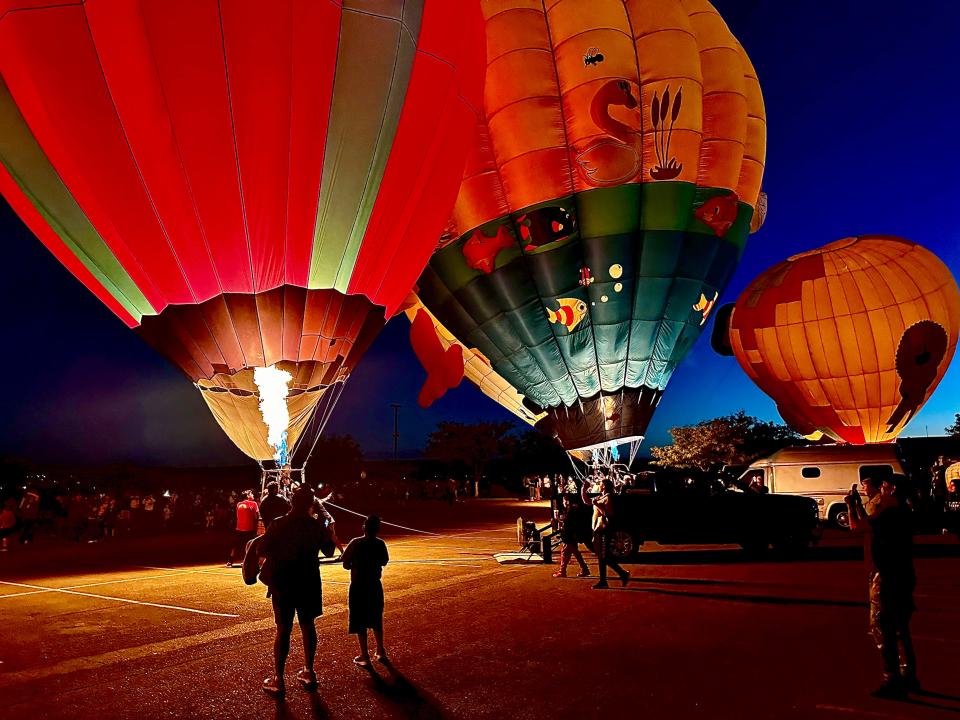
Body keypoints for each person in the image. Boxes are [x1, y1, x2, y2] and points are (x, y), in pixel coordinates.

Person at [845, 476, 918, 698]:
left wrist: (850, 505)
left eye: (884, 486)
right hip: (903, 573)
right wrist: (858, 504)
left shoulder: (889, 511)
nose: (880, 489)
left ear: (893, 489)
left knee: (881, 626)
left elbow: (857, 527)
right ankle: (908, 676)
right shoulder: (903, 511)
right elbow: (869, 525)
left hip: (885, 575)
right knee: (899, 628)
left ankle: (891, 679)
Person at [257, 487, 327, 697]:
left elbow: (262, 549)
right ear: (310, 504)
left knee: (283, 629)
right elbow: (329, 550)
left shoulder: (278, 524)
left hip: (283, 581)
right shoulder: (315, 526)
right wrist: (323, 519)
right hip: (309, 581)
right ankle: (309, 670)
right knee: (308, 626)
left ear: (291, 502)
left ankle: (279, 678)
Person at [342, 515, 390, 667]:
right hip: (374, 585)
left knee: (359, 619)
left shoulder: (355, 543)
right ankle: (380, 649)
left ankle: (365, 654)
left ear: (364, 527)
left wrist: (352, 564)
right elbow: (384, 561)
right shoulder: (380, 544)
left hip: (358, 585)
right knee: (376, 617)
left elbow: (345, 562)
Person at [582, 478, 629, 590]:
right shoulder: (601, 497)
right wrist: (583, 489)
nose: (599, 485)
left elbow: (609, 514)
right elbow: (587, 501)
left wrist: (597, 505)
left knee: (603, 556)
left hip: (605, 530)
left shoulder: (608, 497)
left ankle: (608, 579)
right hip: (598, 530)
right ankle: (621, 574)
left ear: (604, 486)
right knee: (603, 556)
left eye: (601, 484)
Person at [552, 495, 591, 578]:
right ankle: (584, 569)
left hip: (570, 535)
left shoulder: (571, 510)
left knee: (565, 552)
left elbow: (568, 523)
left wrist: (559, 519)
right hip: (573, 535)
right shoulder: (573, 509)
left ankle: (562, 571)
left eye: (564, 501)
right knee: (575, 552)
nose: (563, 503)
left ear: (567, 501)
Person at [227, 490, 259, 568]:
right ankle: (246, 561)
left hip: (239, 529)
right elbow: (256, 517)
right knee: (249, 546)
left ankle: (230, 561)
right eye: (251, 494)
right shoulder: (254, 503)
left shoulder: (238, 504)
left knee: (235, 545)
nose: (253, 495)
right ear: (247, 495)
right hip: (249, 529)